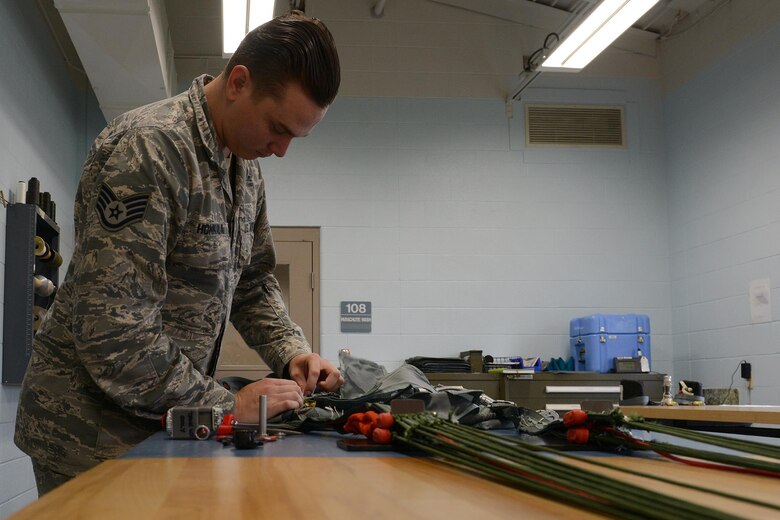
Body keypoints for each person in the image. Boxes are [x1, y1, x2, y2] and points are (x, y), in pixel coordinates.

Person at [15, 11, 343, 495]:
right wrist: (229, 404)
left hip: (160, 429)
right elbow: (113, 331)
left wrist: (292, 351)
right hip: (88, 436)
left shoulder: (244, 170)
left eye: (295, 136)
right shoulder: (149, 150)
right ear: (238, 82)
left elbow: (252, 283)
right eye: (278, 128)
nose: (281, 150)